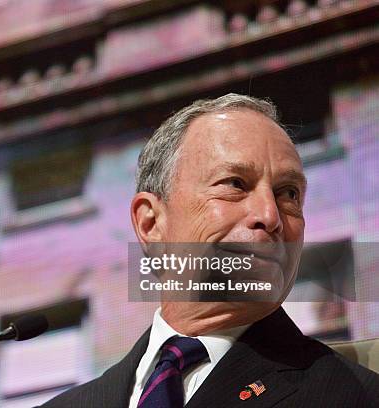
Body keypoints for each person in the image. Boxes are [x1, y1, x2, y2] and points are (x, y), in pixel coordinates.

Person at [40, 94, 379, 407]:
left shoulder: (355, 397)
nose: (269, 216)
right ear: (151, 224)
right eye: (235, 184)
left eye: (288, 193)